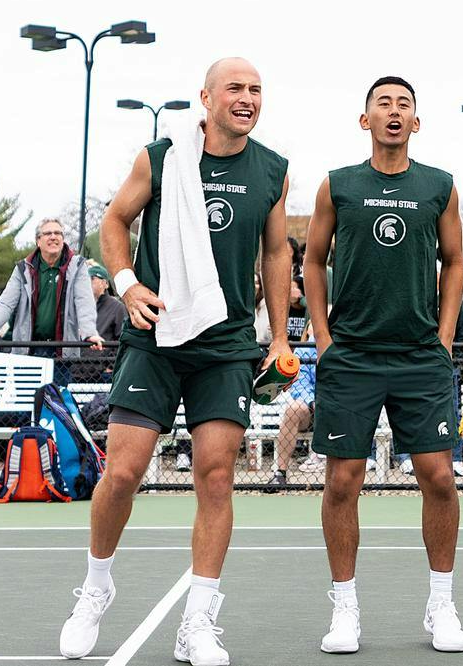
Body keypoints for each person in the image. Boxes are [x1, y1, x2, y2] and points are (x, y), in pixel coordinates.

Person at [58, 58, 295, 666]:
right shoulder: (161, 158)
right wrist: (127, 284)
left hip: (226, 344)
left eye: (256, 90)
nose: (247, 98)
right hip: (156, 333)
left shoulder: (272, 170)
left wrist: (278, 336)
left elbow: (275, 253)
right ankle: (95, 588)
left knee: (216, 476)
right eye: (235, 88)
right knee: (122, 472)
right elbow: (115, 220)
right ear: (206, 98)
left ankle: (198, 621)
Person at [303, 75, 463, 655]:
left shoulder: (439, 186)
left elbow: (455, 261)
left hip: (420, 355)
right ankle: (344, 608)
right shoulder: (338, 185)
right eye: (383, 103)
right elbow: (312, 261)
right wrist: (323, 337)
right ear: (365, 119)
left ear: (415, 122)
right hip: (351, 355)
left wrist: (445, 336)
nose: (394, 112)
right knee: (342, 481)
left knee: (439, 477)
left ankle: (441, 604)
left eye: (404, 105)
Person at [0, 220, 105, 378]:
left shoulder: (77, 266)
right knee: (25, 394)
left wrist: (89, 333)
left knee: (57, 395)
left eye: (58, 233)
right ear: (38, 240)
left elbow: (84, 302)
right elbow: (6, 304)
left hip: (61, 353)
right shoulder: (23, 268)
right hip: (28, 351)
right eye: (48, 233)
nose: (53, 237)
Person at [265, 344, 318, 492]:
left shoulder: (344, 346)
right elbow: (300, 386)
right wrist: (313, 403)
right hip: (312, 410)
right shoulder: (304, 350)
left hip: (338, 406)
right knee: (293, 409)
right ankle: (280, 474)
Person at [90, 261, 129, 348]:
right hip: (77, 356)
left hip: (105, 356)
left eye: (92, 278)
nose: (88, 281)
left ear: (106, 284)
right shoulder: (80, 307)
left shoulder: (118, 308)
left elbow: (123, 340)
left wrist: (107, 354)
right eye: (85, 278)